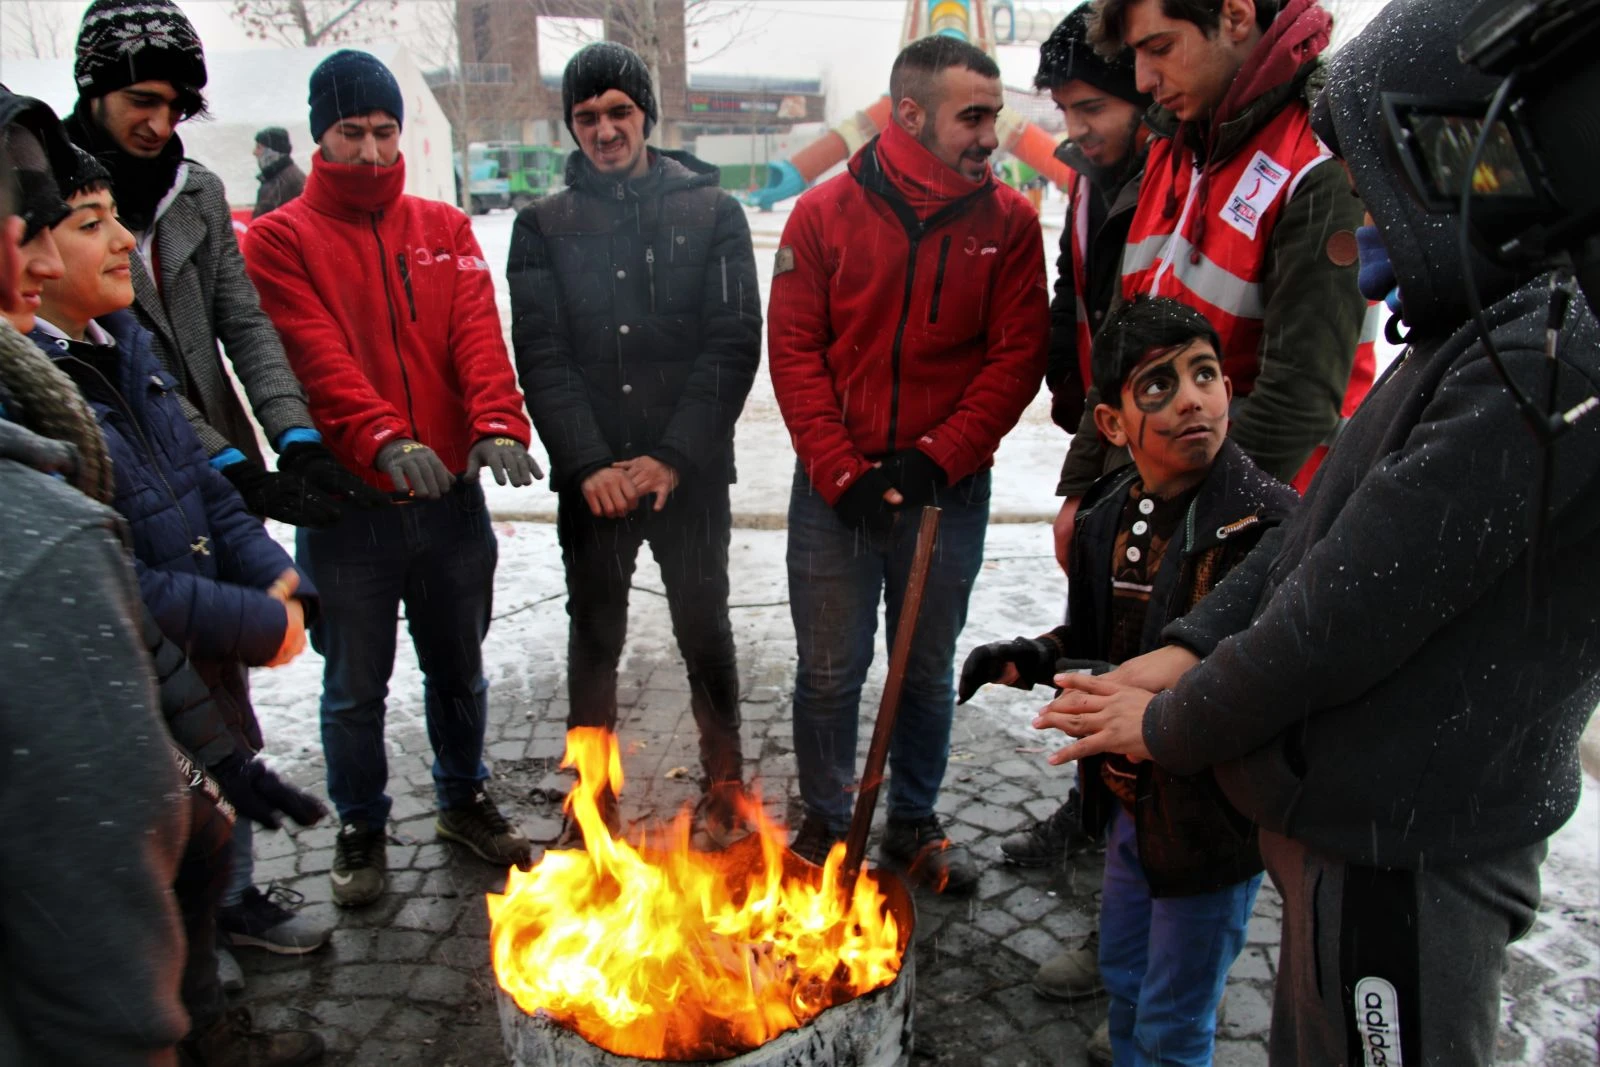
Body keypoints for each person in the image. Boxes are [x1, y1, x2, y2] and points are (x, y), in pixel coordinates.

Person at [1039, 1, 1600, 1063]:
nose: (1361, 218)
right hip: (1356, 830)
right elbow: (1320, 544)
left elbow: (1339, 610)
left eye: (1372, 178)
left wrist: (1167, 723)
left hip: (1406, 846)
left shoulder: (1541, 363)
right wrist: (1183, 650)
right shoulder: (1478, 332)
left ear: (1459, 154)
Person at [17, 141, 328, 1066]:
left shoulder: (126, 346)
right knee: (155, 891)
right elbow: (113, 573)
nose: (123, 243)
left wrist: (276, 573)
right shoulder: (40, 397)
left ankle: (215, 1024)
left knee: (206, 846)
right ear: (28, 252)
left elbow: (207, 487)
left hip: (198, 679)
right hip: (130, 693)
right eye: (90, 224)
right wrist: (255, 619)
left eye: (116, 216)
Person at [962, 296, 1296, 1065]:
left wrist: (1115, 683)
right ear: (1111, 422)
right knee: (1124, 971)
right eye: (1159, 384)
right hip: (1125, 809)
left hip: (1209, 825)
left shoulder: (1267, 526)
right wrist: (1031, 658)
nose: (1192, 398)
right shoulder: (1108, 514)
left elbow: (1240, 676)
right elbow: (1098, 640)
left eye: (1206, 373)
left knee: (1176, 1015)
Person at [243, 50, 542, 908]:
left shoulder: (444, 229)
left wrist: (493, 422)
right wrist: (380, 437)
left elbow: (478, 338)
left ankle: (462, 798)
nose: (372, 152)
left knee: (459, 668)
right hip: (351, 509)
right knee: (353, 686)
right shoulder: (280, 240)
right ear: (319, 136)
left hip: (450, 502)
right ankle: (361, 822)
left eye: (383, 132)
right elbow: (315, 357)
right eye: (351, 133)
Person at [768, 35, 1050, 893]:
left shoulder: (1009, 224)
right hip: (835, 490)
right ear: (913, 114)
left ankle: (912, 821)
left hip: (947, 494)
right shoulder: (820, 216)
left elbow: (1016, 358)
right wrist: (841, 472)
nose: (990, 136)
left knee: (923, 669)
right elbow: (794, 353)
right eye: (973, 117)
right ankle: (827, 815)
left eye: (995, 117)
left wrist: (939, 458)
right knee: (828, 670)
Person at [507, 41, 761, 846]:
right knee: (593, 641)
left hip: (684, 475)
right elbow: (541, 354)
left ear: (645, 113)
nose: (604, 130)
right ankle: (591, 805)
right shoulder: (541, 225)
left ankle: (726, 787)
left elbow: (731, 341)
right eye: (586, 117)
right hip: (596, 483)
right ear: (571, 126)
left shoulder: (710, 211)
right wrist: (586, 463)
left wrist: (674, 455)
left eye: (619, 112)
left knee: (704, 631)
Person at [0, 87, 190, 1067]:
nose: (37, 259)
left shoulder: (124, 353)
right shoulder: (37, 538)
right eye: (24, 225)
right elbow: (110, 828)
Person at [1054, 0, 1375, 544]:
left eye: (1159, 48)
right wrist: (1084, 488)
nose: (1143, 78)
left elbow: (1298, 400)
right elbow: (1121, 340)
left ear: (1235, 14)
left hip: (1256, 534)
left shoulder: (1318, 161)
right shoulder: (1173, 148)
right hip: (1146, 507)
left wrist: (1177, 532)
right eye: (1136, 54)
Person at [65, 0, 379, 528]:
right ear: (93, 89)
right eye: (143, 101)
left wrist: (297, 438)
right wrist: (229, 464)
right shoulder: (56, 201)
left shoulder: (197, 191)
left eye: (179, 108)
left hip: (223, 463)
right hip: (121, 466)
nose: (161, 125)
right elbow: (123, 361)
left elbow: (244, 323)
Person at [252, 126, 305, 219]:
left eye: (259, 147)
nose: (254, 152)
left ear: (272, 152)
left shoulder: (282, 182)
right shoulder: (279, 176)